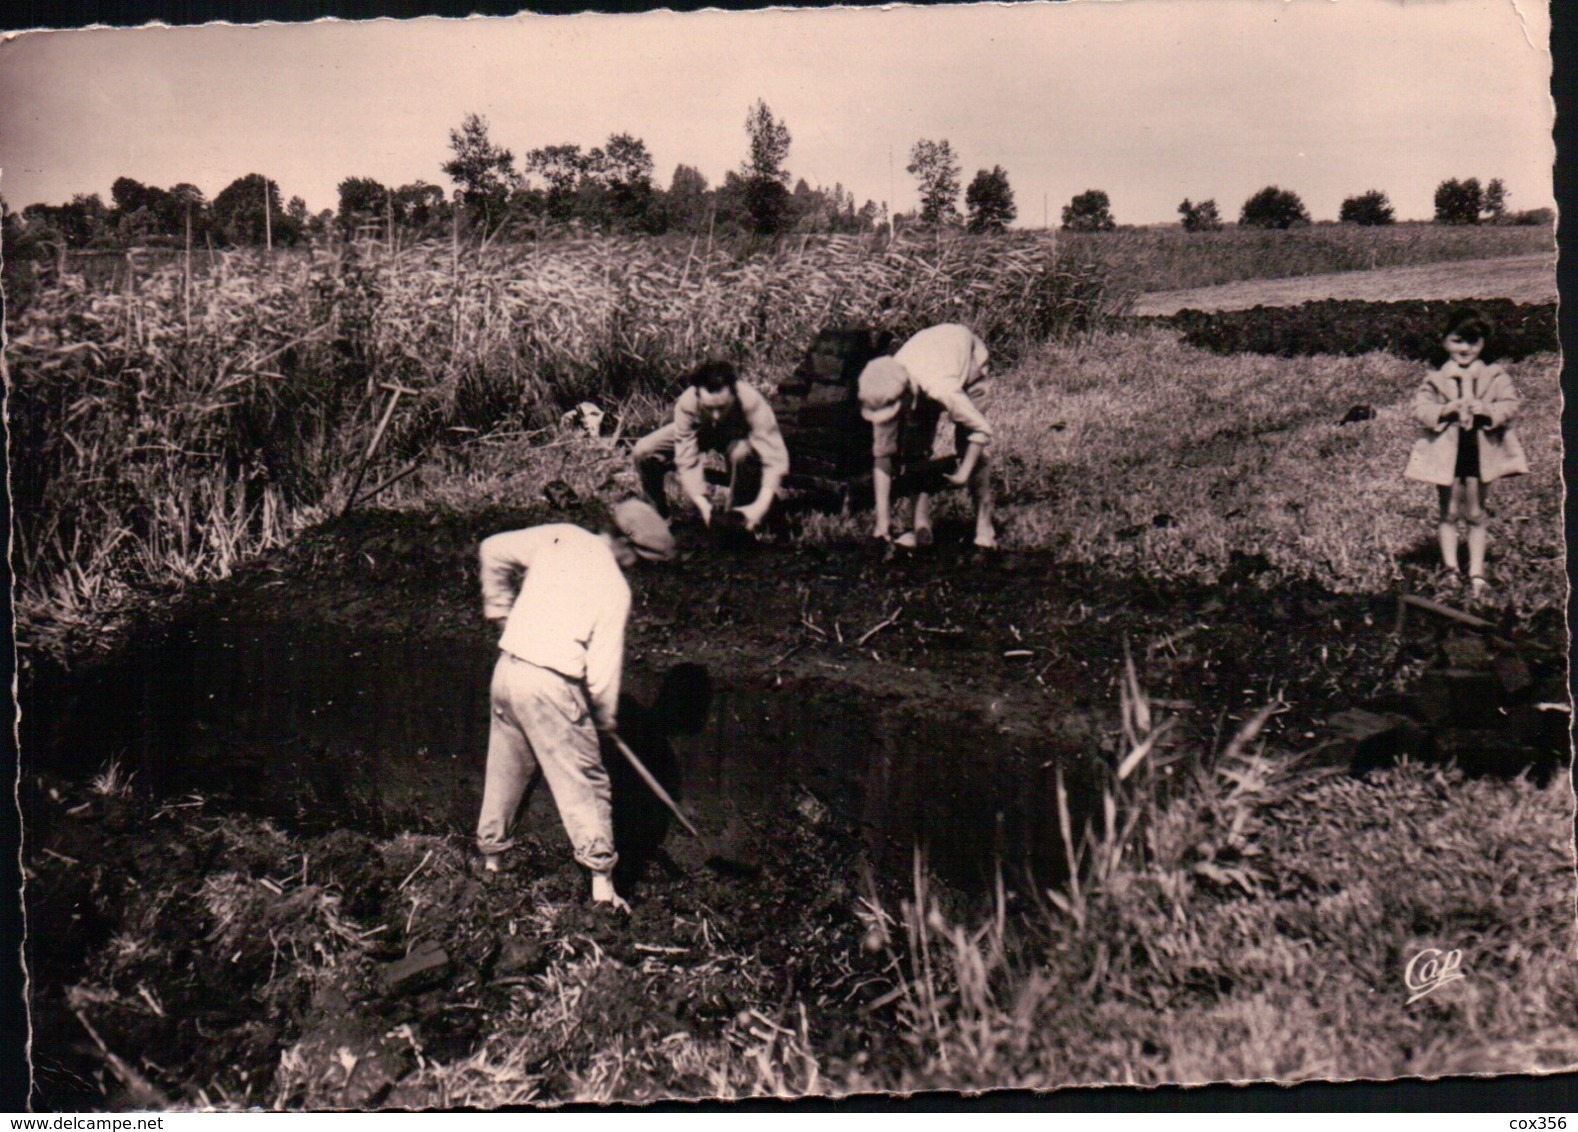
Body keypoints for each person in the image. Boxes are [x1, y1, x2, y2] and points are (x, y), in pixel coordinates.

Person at [474, 499, 675, 912]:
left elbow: (492, 548)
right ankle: (603, 890)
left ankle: (490, 865)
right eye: (638, 559)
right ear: (626, 545)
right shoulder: (614, 589)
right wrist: (604, 715)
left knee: (505, 771)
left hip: (508, 672)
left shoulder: (560, 535)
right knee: (586, 781)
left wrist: (499, 610)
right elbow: (602, 669)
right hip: (550, 686)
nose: (635, 567)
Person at [1404, 308, 1527, 595]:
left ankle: (1476, 573)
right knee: (1448, 511)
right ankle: (1450, 569)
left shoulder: (1494, 375)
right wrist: (1446, 409)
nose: (1466, 349)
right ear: (1445, 341)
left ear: (1484, 344)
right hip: (1447, 454)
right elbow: (1420, 409)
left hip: (1478, 452)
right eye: (1458, 341)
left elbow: (1511, 403)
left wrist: (1487, 410)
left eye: (1474, 342)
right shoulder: (1436, 378)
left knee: (1475, 511)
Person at [857, 322, 997, 549]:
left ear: (906, 396)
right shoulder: (884, 383)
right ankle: (920, 525)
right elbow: (882, 457)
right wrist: (882, 527)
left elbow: (981, 430)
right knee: (914, 448)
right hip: (927, 357)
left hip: (967, 360)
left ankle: (984, 526)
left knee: (968, 446)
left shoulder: (942, 387)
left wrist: (962, 474)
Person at [633, 359, 790, 532]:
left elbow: (775, 460)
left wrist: (760, 505)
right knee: (644, 450)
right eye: (709, 408)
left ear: (734, 393)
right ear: (698, 395)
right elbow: (686, 458)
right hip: (704, 430)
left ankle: (737, 520)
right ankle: (662, 517)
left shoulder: (752, 402)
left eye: (722, 408)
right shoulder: (687, 403)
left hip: (739, 435)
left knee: (740, 454)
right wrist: (703, 505)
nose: (716, 415)